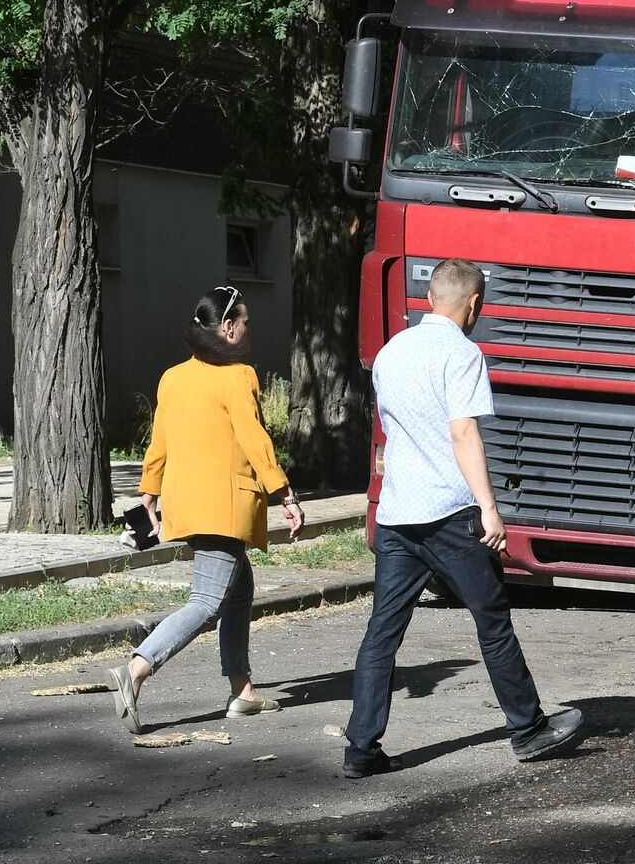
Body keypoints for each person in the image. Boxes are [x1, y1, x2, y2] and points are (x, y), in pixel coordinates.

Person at [342, 258, 585, 777]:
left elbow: (391, 428)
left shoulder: (390, 352)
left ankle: (361, 748)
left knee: (382, 632)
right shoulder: (463, 353)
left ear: (430, 298)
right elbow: (463, 433)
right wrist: (490, 509)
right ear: (475, 304)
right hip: (449, 512)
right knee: (492, 621)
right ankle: (528, 729)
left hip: (398, 511)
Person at [108, 286, 304, 734]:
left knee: (238, 591)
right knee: (206, 602)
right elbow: (256, 439)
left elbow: (158, 442)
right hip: (225, 505)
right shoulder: (239, 376)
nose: (249, 330)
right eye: (245, 322)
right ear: (228, 327)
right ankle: (135, 670)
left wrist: (150, 492)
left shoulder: (172, 377)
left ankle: (243, 691)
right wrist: (285, 494)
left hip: (188, 503)